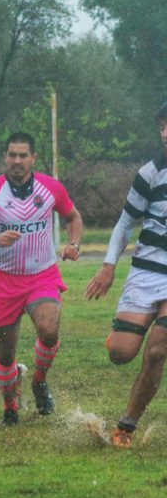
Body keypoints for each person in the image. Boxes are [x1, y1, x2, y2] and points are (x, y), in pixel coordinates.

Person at [0, 132, 83, 425]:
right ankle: (10, 406)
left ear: (33, 158)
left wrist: (74, 244)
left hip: (42, 275)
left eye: (23, 155)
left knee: (49, 329)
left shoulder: (50, 187)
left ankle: (39, 381)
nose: (17, 161)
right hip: (4, 280)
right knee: (5, 353)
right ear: (4, 157)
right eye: (12, 155)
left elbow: (73, 217)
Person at [84, 100, 167, 448]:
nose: (165, 133)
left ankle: (125, 428)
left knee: (158, 350)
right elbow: (125, 223)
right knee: (121, 353)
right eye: (162, 126)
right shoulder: (150, 173)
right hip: (146, 271)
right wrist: (108, 266)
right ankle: (119, 336)